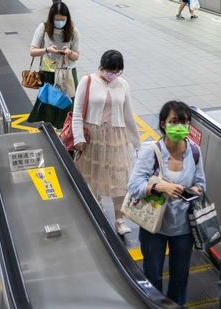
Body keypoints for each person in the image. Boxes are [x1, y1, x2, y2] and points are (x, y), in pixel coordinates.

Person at [127, 100, 206, 306]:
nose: (180, 126)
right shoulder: (151, 152)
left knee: (180, 278)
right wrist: (160, 187)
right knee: (153, 277)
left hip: (184, 229)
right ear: (163, 123)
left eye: (185, 122)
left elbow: (201, 183)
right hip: (155, 228)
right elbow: (134, 186)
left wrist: (194, 191)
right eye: (174, 121)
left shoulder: (194, 152)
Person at [72, 50, 141, 235]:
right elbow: (77, 112)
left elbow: (128, 114)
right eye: (110, 70)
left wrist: (137, 143)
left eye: (117, 71)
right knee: (94, 176)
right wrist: (78, 137)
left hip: (116, 137)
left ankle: (120, 220)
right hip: (92, 136)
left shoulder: (123, 85)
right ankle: (98, 208)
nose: (113, 74)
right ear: (101, 67)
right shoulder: (87, 81)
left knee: (119, 178)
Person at [27, 2, 80, 129]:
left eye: (63, 20)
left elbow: (76, 56)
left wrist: (69, 52)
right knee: (49, 105)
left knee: (67, 104)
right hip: (48, 72)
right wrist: (47, 50)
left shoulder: (73, 30)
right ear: (51, 18)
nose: (60, 22)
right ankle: (48, 129)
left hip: (67, 74)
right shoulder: (43, 28)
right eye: (57, 20)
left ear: (67, 18)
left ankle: (66, 132)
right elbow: (32, 51)